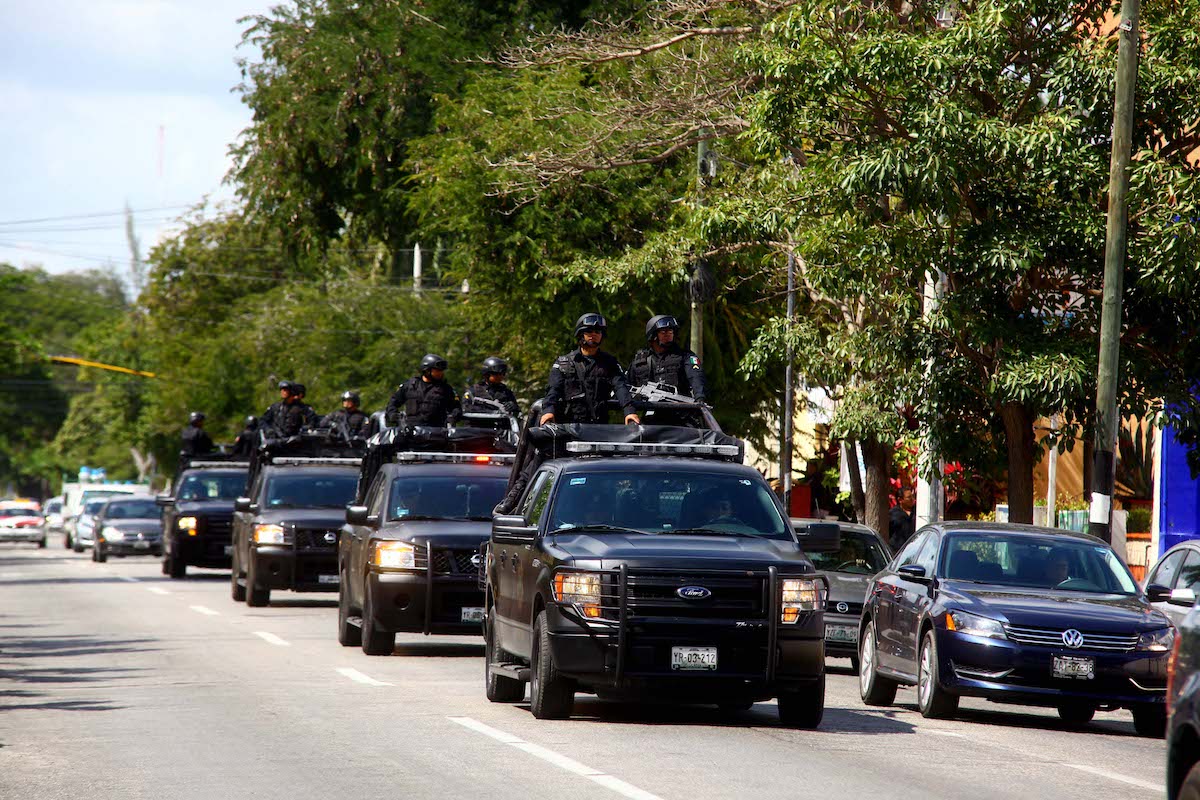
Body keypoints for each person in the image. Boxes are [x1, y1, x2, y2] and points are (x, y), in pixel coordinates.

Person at [539, 313, 639, 425]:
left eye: (598, 332)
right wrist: (548, 411)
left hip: (599, 427)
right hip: (570, 427)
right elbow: (553, 390)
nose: (594, 334)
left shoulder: (610, 363)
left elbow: (621, 387)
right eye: (589, 331)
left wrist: (629, 411)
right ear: (581, 334)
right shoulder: (564, 363)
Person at [627, 314, 707, 402]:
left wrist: (700, 398)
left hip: (680, 411)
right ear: (653, 335)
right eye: (663, 332)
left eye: (670, 332)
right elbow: (624, 385)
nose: (668, 335)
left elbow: (696, 377)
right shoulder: (640, 361)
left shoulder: (685, 357)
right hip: (649, 411)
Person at [385, 354, 462, 428]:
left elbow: (456, 408)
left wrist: (453, 417)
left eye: (441, 371)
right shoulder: (410, 386)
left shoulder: (446, 389)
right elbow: (392, 403)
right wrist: (394, 415)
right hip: (411, 432)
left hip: (436, 434)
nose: (440, 373)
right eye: (437, 371)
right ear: (427, 370)